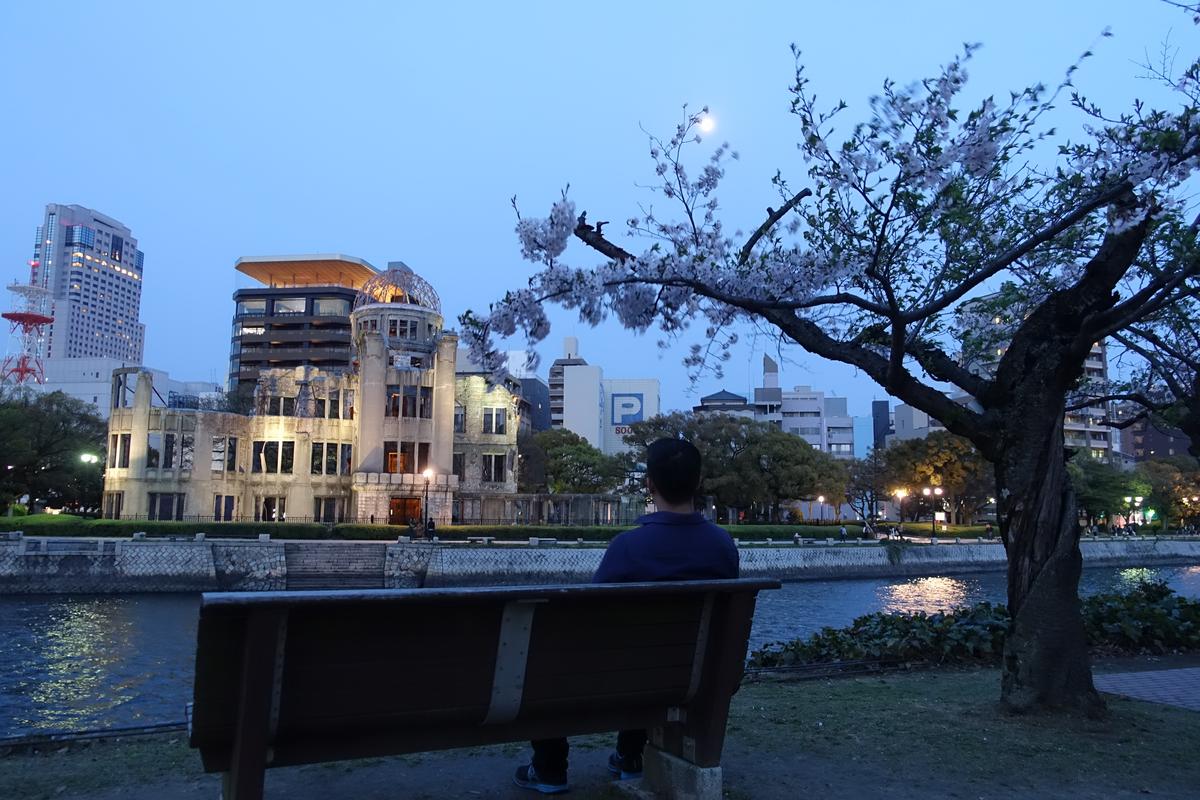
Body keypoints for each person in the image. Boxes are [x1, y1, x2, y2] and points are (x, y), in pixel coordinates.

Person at [513, 438, 739, 795]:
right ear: (697, 483)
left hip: (627, 678)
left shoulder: (627, 548)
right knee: (652, 657)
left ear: (649, 484)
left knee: (545, 658)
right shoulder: (723, 546)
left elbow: (591, 619)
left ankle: (549, 768)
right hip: (699, 677)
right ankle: (630, 755)